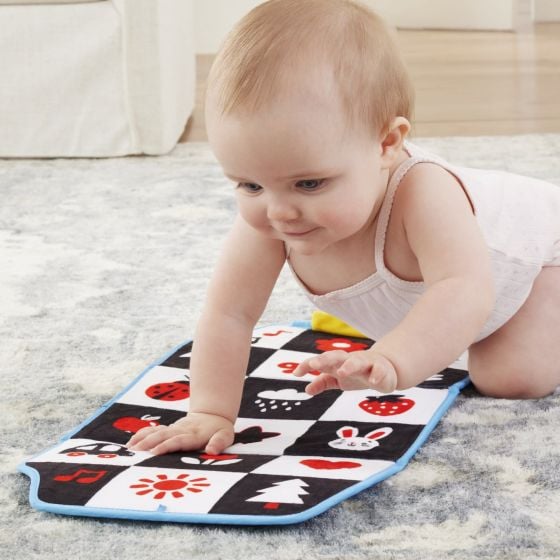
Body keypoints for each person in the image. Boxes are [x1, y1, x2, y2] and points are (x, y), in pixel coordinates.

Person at [127, 0, 560, 456]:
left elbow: (464, 290)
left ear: (387, 144)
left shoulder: (424, 191)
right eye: (249, 184)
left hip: (543, 255)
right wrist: (210, 412)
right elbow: (228, 314)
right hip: (485, 303)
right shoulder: (273, 216)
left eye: (309, 183)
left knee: (514, 379)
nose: (279, 212)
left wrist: (393, 358)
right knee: (457, 344)